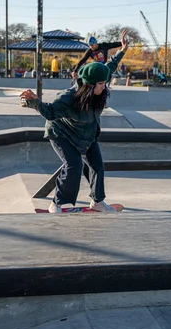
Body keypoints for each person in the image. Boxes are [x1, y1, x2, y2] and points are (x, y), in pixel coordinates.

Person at [19, 29, 129, 213]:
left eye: (105, 83)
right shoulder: (69, 97)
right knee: (74, 166)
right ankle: (56, 204)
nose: (105, 87)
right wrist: (33, 101)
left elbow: (111, 65)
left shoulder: (101, 78)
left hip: (87, 134)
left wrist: (123, 49)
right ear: (89, 85)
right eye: (101, 84)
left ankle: (98, 202)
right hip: (62, 133)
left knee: (97, 166)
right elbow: (50, 112)